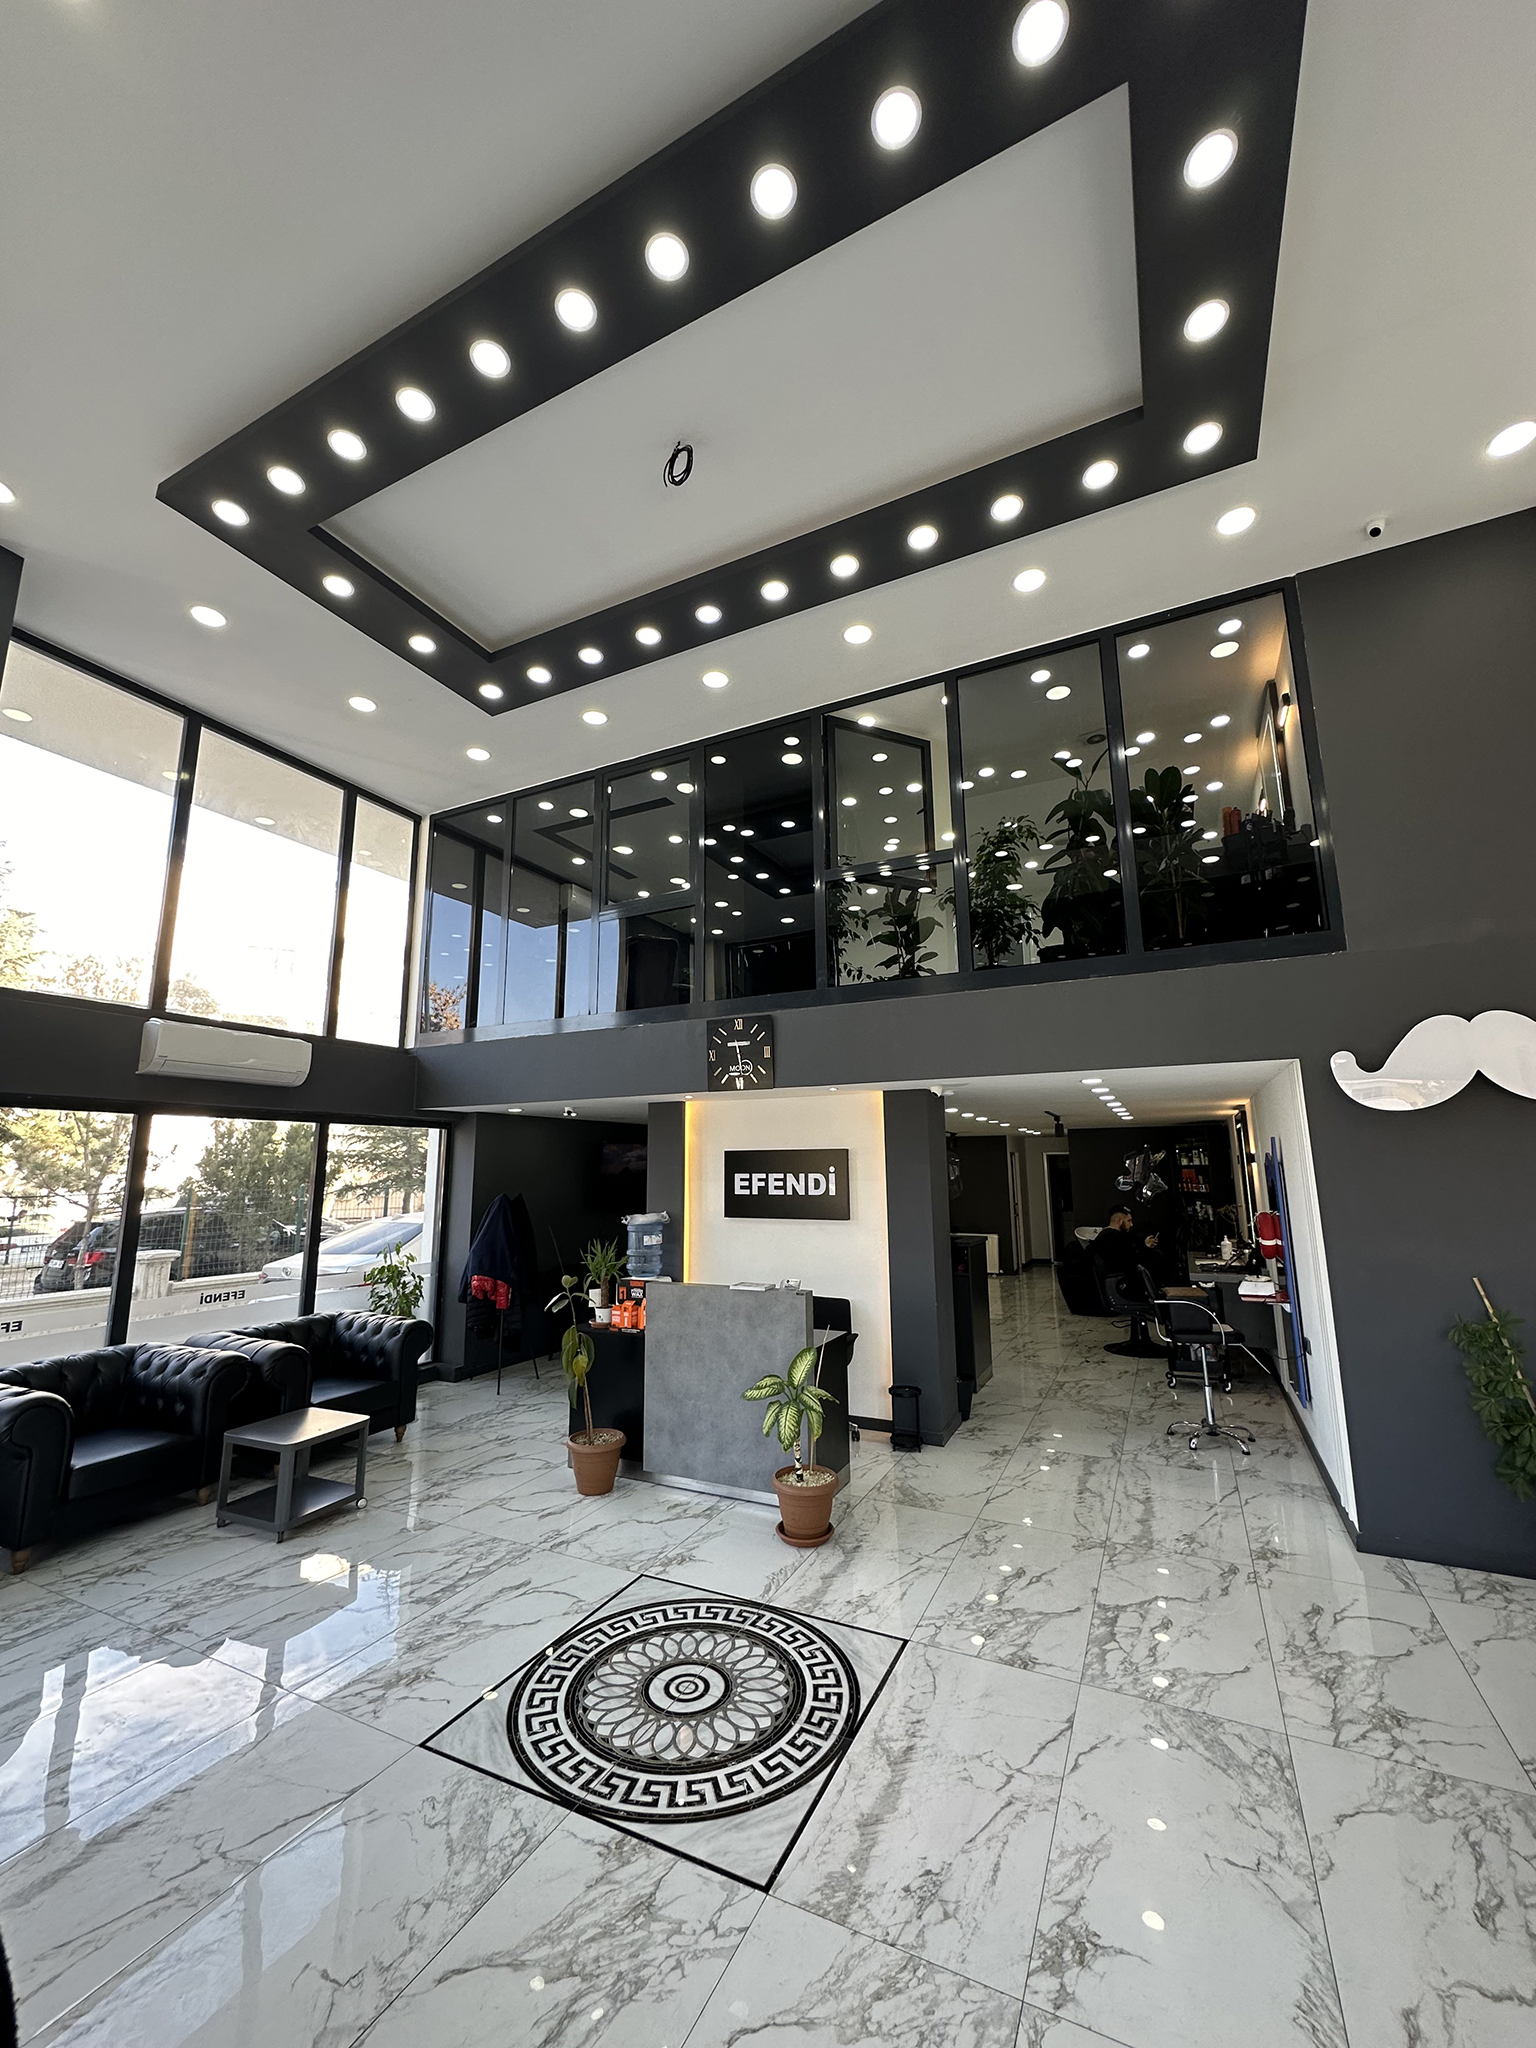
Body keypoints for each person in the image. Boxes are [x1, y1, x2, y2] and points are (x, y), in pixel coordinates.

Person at [1091, 1207, 1209, 1301]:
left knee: (1163, 1260)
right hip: (1126, 1281)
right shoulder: (1110, 1239)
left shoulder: (1113, 1237)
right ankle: (1181, 1298)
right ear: (1119, 1221)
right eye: (1128, 1221)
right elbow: (1128, 1260)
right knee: (1166, 1264)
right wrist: (1144, 1247)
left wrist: (1144, 1246)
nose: (1131, 1225)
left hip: (1130, 1274)